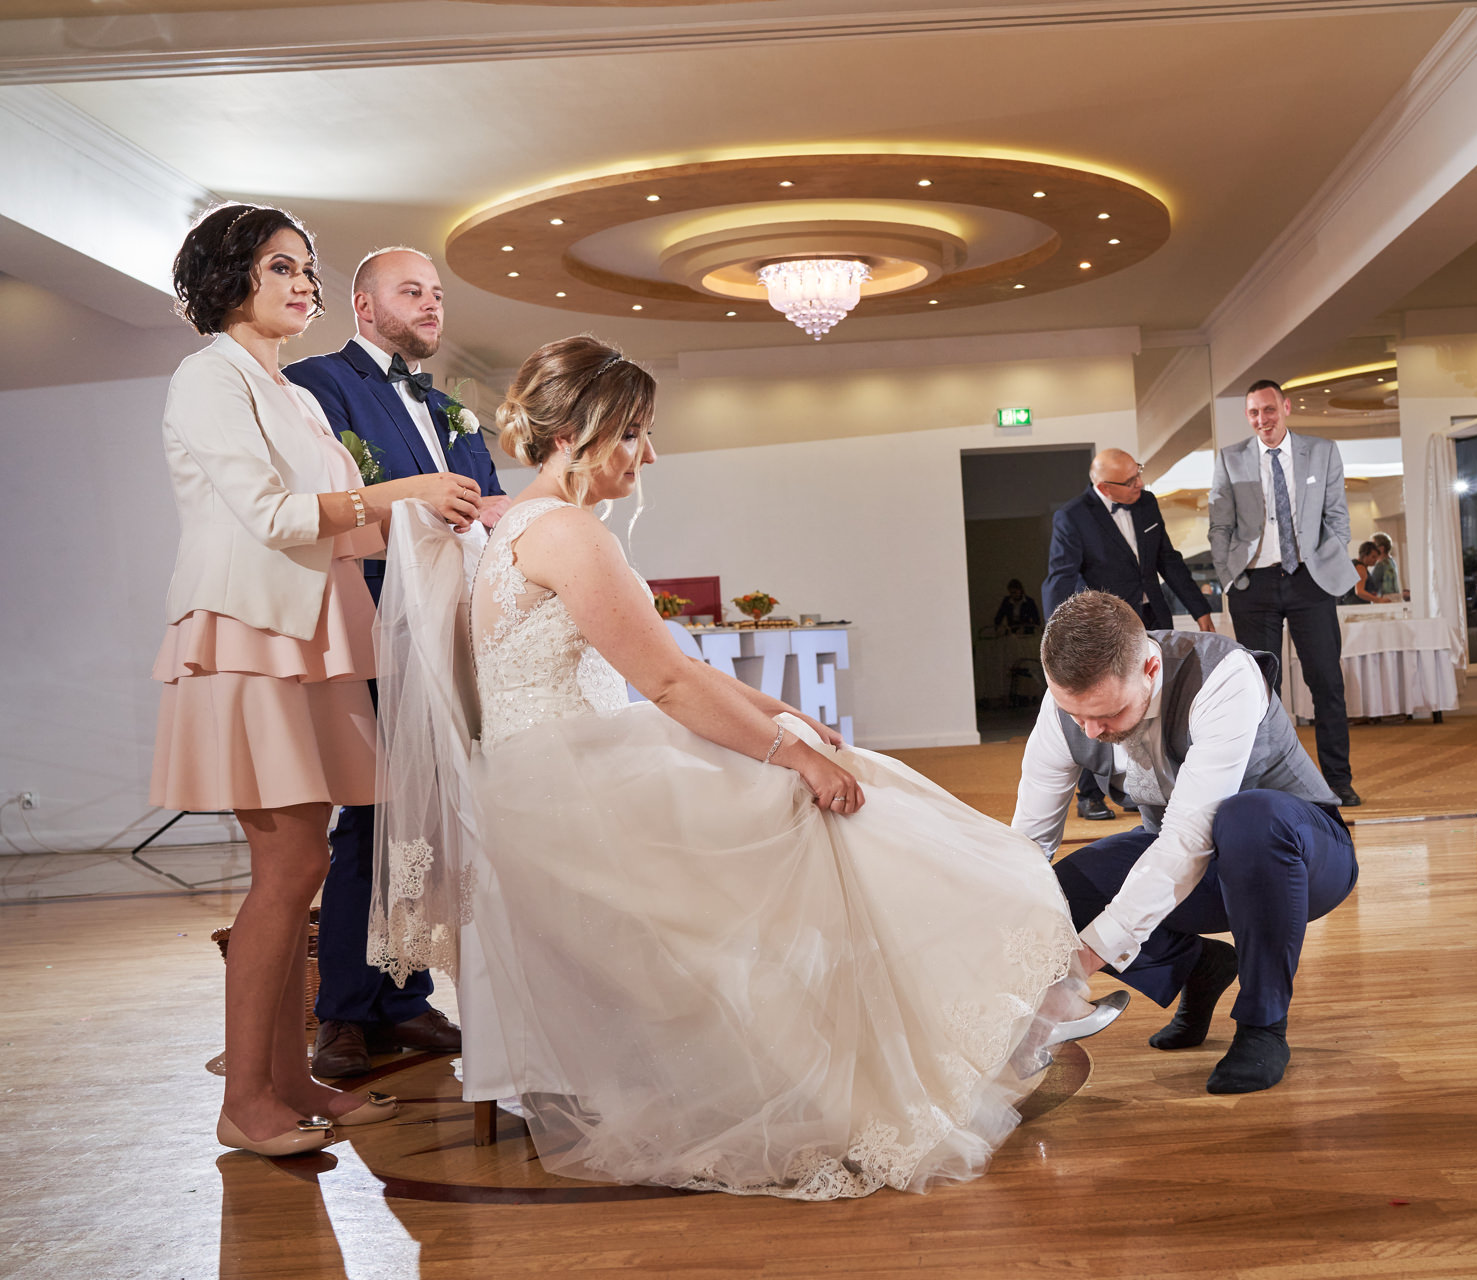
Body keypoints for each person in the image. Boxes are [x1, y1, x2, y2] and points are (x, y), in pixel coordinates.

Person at [371, 335, 1121, 1198]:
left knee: (835, 773)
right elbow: (665, 682)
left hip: (553, 776)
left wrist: (784, 719)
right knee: (827, 805)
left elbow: (674, 668)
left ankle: (1002, 1009)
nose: (649, 455)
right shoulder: (567, 533)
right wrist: (790, 751)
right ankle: (990, 1012)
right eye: (632, 433)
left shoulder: (529, 526)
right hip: (571, 793)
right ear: (574, 433)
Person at [149, 204, 480, 1157]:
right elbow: (270, 514)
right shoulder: (208, 376)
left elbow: (346, 528)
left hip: (312, 631)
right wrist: (405, 492)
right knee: (288, 866)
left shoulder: (284, 389)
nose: (303, 284)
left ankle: (292, 1080)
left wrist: (459, 520)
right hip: (250, 632)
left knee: (302, 867)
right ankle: (245, 1102)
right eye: (280, 267)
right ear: (228, 278)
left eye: (307, 269)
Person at [283, 247, 509, 1078]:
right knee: (373, 813)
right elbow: (317, 501)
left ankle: (405, 998)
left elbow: (486, 504)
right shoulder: (316, 384)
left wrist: (493, 509)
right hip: (369, 623)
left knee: (436, 816)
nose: (431, 304)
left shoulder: (451, 410)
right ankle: (345, 1011)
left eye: (437, 293)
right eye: (411, 291)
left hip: (450, 630)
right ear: (364, 306)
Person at [1011, 591, 1356, 1095]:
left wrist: (1079, 965)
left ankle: (1263, 1026)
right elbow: (1027, 845)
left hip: (1300, 858)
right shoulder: (1067, 709)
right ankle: (1198, 966)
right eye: (1076, 714)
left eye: (1108, 713)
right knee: (1059, 892)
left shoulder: (1223, 675)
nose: (1091, 730)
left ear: (1150, 669)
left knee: (1249, 818)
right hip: (1193, 864)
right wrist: (1018, 955)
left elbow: (1188, 838)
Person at [1208, 381, 1362, 807]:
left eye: (1269, 409)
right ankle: (1268, 785)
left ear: (1286, 407)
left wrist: (1327, 561)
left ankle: (1338, 781)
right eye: (1254, 413)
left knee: (1327, 682)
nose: (1263, 420)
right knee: (1259, 690)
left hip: (1310, 580)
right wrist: (1230, 577)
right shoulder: (1230, 458)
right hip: (1253, 584)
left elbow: (1337, 516)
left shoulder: (1323, 451)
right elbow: (1219, 525)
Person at [1044, 447, 1215, 820]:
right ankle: (1090, 794)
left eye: (1138, 473)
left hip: (1154, 617)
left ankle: (1155, 785)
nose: (1140, 483)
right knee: (1101, 706)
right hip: (1109, 628)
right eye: (1131, 480)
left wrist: (1200, 611)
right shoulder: (1072, 517)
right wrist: (1056, 642)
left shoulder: (1146, 503)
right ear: (1105, 487)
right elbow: (1060, 578)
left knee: (1155, 699)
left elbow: (1168, 559)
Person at [1367, 532, 1401, 597]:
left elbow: (1371, 586)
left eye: (1373, 547)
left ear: (1381, 549)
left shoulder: (1381, 565)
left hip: (1384, 600)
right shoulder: (1391, 562)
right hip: (1395, 598)